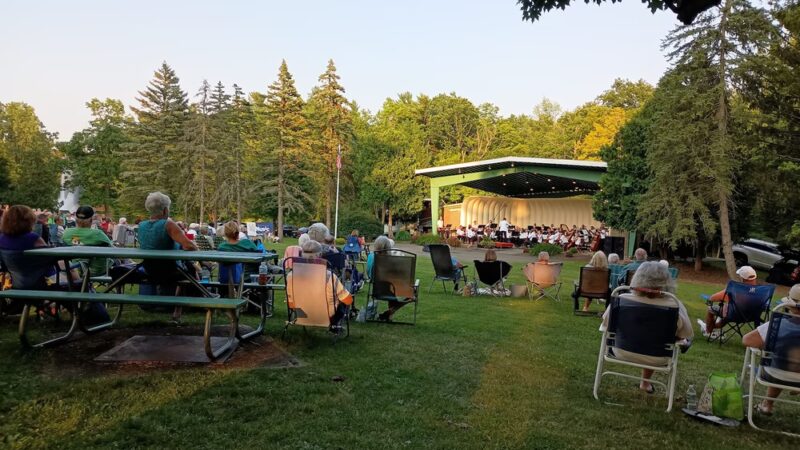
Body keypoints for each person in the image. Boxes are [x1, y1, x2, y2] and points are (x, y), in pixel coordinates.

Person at [600, 262, 694, 393]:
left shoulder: (622, 299)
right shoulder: (674, 305)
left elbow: (606, 325)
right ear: (667, 281)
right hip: (657, 357)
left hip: (621, 350)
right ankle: (645, 382)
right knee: (659, 338)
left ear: (637, 278)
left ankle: (645, 383)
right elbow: (686, 334)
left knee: (645, 335)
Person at [137, 192, 198, 323]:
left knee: (188, 268)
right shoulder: (168, 224)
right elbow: (189, 246)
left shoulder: (141, 226)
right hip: (171, 270)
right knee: (189, 269)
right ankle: (179, 310)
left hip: (149, 269)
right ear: (165, 210)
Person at [743, 284, 800, 415]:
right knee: (789, 359)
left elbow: (747, 340)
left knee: (781, 360)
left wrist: (771, 346)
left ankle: (767, 404)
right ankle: (768, 403)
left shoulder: (778, 324)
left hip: (774, 374)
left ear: (790, 305)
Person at [286, 240, 353, 332]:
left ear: (301, 254)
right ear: (320, 255)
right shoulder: (329, 276)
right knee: (344, 301)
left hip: (301, 314)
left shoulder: (291, 276)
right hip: (326, 315)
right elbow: (348, 300)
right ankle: (334, 326)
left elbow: (290, 302)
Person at [699, 265, 759, 338]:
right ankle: (710, 327)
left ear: (742, 278)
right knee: (728, 310)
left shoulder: (736, 288)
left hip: (733, 315)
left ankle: (708, 331)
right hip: (752, 316)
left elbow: (713, 298)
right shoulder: (761, 291)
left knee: (711, 309)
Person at [62, 206, 114, 277]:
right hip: (96, 270)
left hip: (75, 268)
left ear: (76, 219)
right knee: (118, 261)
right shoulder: (98, 234)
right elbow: (112, 250)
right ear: (91, 219)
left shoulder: (67, 233)